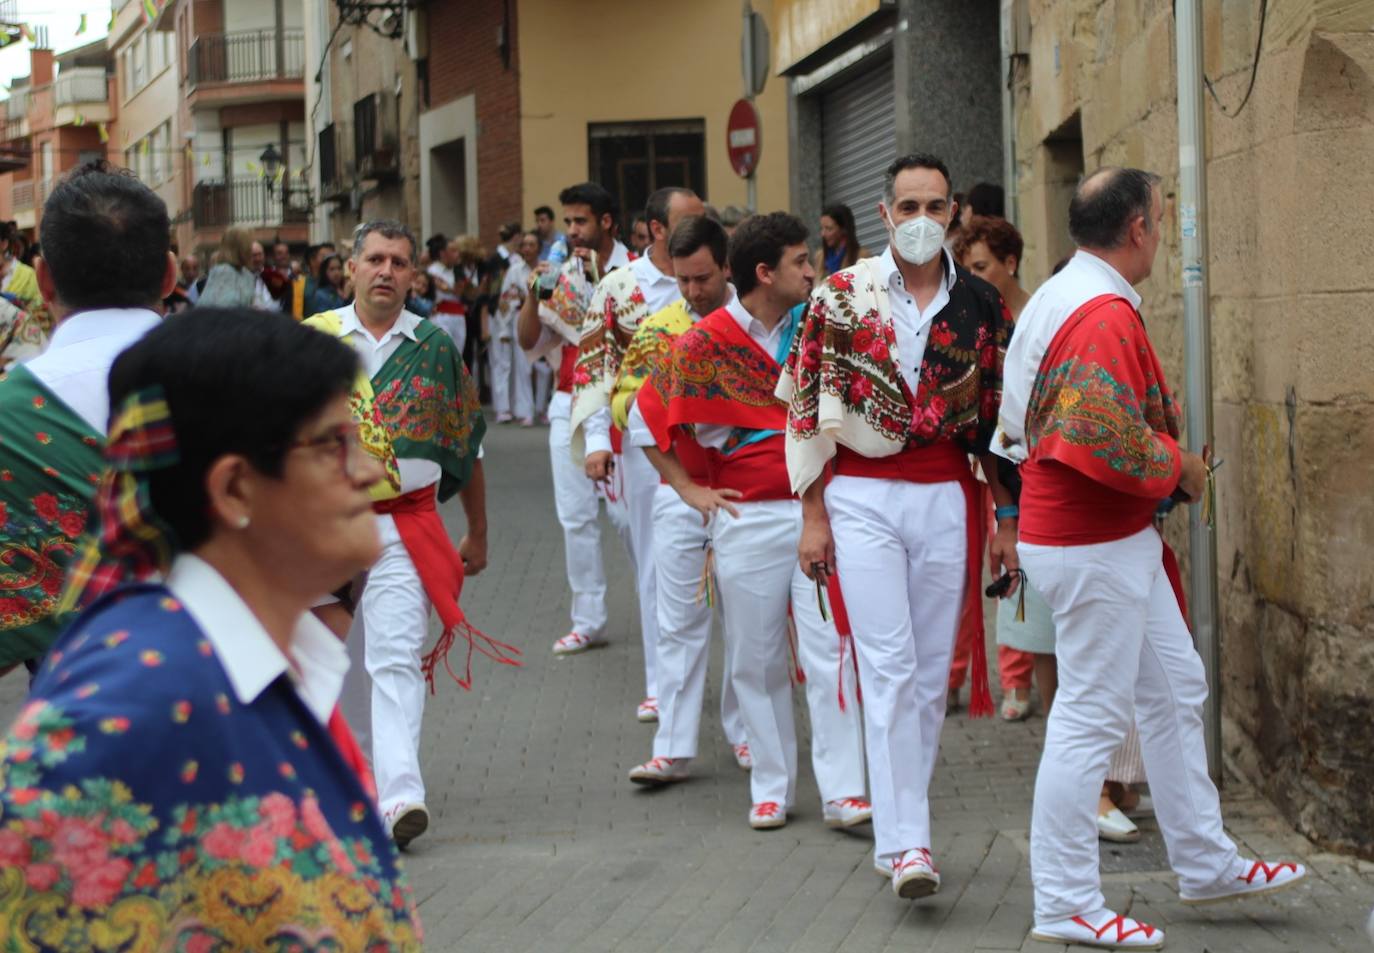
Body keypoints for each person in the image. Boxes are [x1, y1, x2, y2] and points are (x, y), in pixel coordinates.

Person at [0, 309, 422, 948]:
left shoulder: (261, 667)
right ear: (234, 490)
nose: (369, 471)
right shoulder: (123, 714)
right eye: (334, 444)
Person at [998, 167, 1304, 947]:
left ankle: (1204, 861)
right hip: (1090, 538)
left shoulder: (1065, 295)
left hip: (1103, 536)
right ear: (1137, 229)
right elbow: (1100, 432)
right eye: (1161, 220)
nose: (1163, 233)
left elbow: (1017, 425)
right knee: (1090, 716)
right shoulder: (1098, 312)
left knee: (1174, 688)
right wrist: (1181, 468)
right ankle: (1065, 900)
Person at [778, 154, 1015, 899]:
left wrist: (1006, 518)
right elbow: (805, 405)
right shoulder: (839, 296)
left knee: (926, 671)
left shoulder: (979, 302)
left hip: (945, 492)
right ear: (884, 215)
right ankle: (911, 842)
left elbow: (999, 424)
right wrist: (812, 513)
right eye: (906, 205)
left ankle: (896, 828)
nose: (920, 219)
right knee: (885, 664)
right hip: (863, 496)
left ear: (953, 215)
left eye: (934, 206)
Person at [635, 211, 869, 830]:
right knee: (755, 657)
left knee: (829, 649)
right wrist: (689, 489)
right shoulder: (703, 341)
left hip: (819, 510)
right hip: (745, 516)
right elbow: (644, 419)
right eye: (800, 260)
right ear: (765, 274)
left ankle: (845, 790)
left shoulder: (820, 328)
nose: (812, 270)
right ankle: (771, 786)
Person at [310, 220, 492, 850]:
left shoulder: (435, 347)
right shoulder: (312, 342)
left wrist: (479, 531)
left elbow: (468, 445)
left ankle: (400, 798)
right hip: (323, 530)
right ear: (349, 268)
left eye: (400, 262)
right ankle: (353, 782)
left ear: (415, 276)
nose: (386, 271)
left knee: (392, 657)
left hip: (403, 528)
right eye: (375, 259)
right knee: (338, 665)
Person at [0, 161, 171, 670]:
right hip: (239, 728)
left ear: (44, 278)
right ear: (169, 273)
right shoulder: (255, 383)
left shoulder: (11, 415)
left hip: (78, 726)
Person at [615, 214, 750, 776]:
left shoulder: (758, 318)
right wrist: (673, 409)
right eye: (683, 280)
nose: (693, 292)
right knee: (677, 618)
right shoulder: (658, 329)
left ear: (726, 267)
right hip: (680, 488)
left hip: (749, 491)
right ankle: (671, 744)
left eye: (703, 278)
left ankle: (748, 733)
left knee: (748, 620)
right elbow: (626, 405)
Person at [570, 186, 706, 722]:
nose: (701, 229)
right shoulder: (618, 288)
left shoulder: (719, 279)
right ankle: (661, 682)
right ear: (655, 230)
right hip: (646, 449)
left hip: (714, 443)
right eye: (689, 221)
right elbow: (596, 364)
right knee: (654, 564)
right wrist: (600, 442)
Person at [516, 182, 635, 676]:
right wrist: (532, 294)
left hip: (624, 405)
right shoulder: (560, 273)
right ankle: (588, 619)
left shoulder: (636, 271)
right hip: (569, 402)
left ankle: (658, 610)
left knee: (631, 521)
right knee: (575, 518)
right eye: (567, 223)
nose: (570, 232)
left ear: (606, 221)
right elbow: (529, 341)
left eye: (579, 221)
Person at [946, 214, 1036, 720]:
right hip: (968, 460)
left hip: (1019, 462)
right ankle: (952, 676)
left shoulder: (1039, 314)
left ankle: (1016, 680)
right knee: (959, 569)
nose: (973, 277)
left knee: (1012, 563)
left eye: (981, 266)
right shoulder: (962, 316)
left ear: (1010, 263)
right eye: (965, 267)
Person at [489, 230, 538, 425]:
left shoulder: (545, 269)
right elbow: (505, 299)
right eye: (524, 245)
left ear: (539, 248)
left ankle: (533, 407)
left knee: (532, 366)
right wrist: (503, 329)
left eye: (531, 244)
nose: (526, 248)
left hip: (540, 316)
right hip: (518, 316)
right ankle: (510, 408)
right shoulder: (514, 270)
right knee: (511, 363)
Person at [198, 227, 257, 308]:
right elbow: (222, 306)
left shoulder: (247, 275)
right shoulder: (223, 272)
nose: (250, 249)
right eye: (248, 245)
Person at [815, 203, 867, 278]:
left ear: (844, 229)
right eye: (822, 228)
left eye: (829, 229)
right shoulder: (820, 257)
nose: (823, 234)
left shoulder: (861, 257)